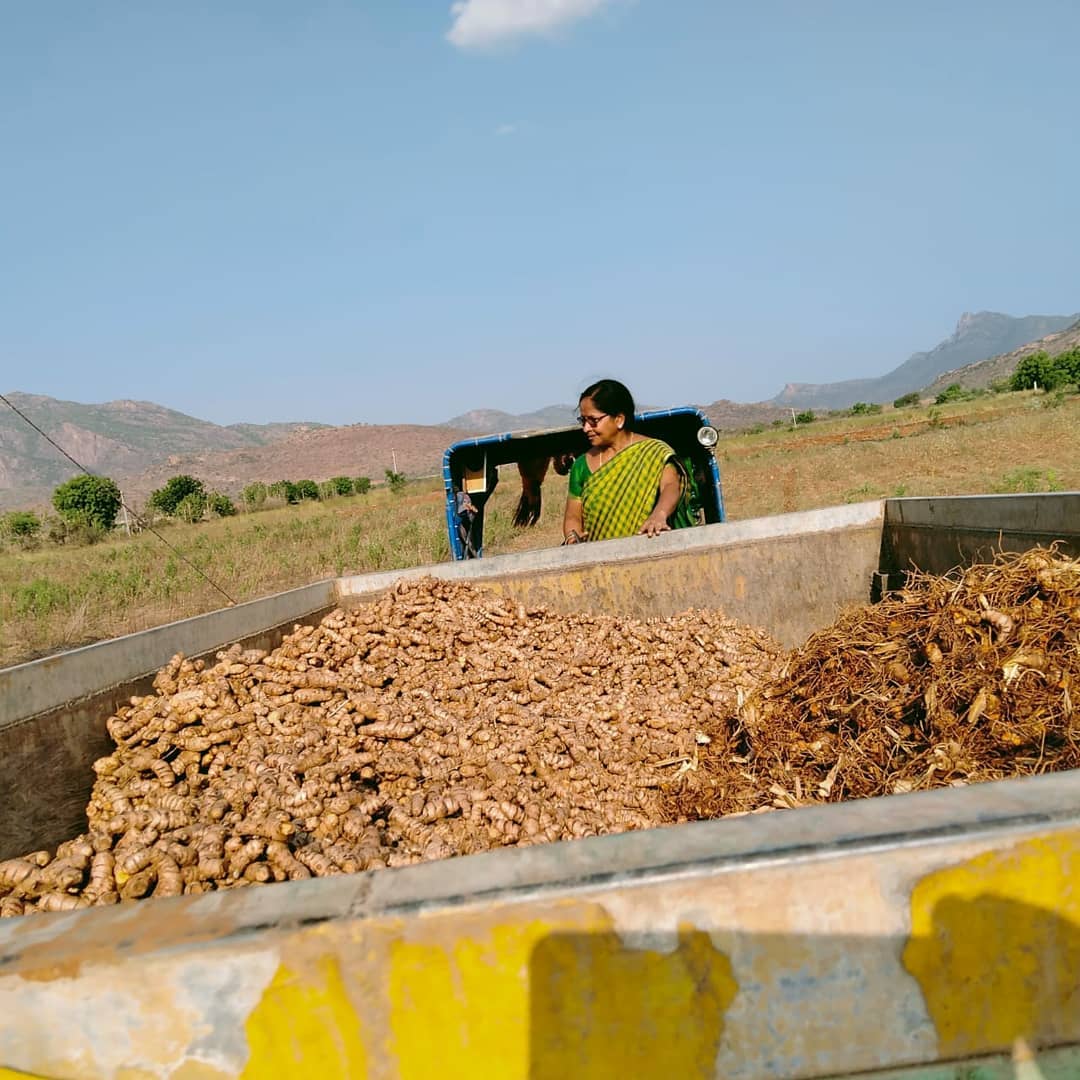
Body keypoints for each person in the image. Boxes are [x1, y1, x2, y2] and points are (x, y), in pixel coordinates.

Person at [562, 379, 693, 544]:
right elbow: (573, 515)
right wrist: (572, 536)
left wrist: (659, 514)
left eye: (593, 421)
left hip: (648, 546)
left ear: (619, 420)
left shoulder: (654, 452)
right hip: (598, 558)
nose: (586, 428)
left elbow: (671, 486)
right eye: (583, 421)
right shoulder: (581, 465)